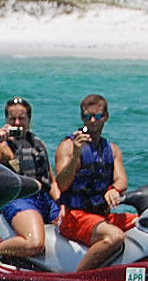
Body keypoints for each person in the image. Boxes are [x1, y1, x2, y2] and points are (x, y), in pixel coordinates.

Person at [54, 94, 137, 271]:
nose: (92, 121)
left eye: (97, 116)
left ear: (106, 117)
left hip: (102, 216)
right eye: (87, 116)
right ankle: (78, 278)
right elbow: (61, 184)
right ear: (81, 117)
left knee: (147, 222)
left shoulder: (112, 149)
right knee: (115, 237)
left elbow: (122, 180)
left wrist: (114, 189)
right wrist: (76, 155)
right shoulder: (68, 146)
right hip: (75, 217)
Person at [0, 96, 60, 260]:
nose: (17, 123)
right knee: (35, 244)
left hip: (44, 199)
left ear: (29, 120)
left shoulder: (38, 144)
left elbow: (51, 179)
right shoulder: (2, 146)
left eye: (21, 118)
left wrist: (63, 203)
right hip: (20, 200)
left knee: (73, 227)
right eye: (12, 119)